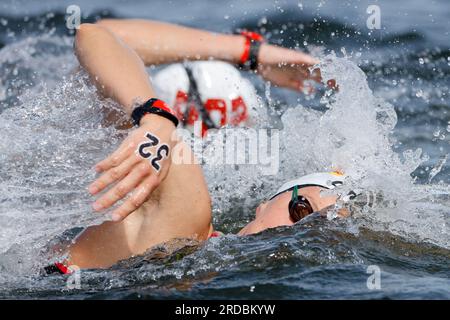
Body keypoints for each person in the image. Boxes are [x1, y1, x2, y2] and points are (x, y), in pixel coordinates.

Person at [44, 19, 342, 274]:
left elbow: (102, 36)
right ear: (265, 202)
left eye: (318, 233)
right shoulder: (187, 211)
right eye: (301, 211)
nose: (297, 235)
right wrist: (155, 116)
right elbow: (93, 35)